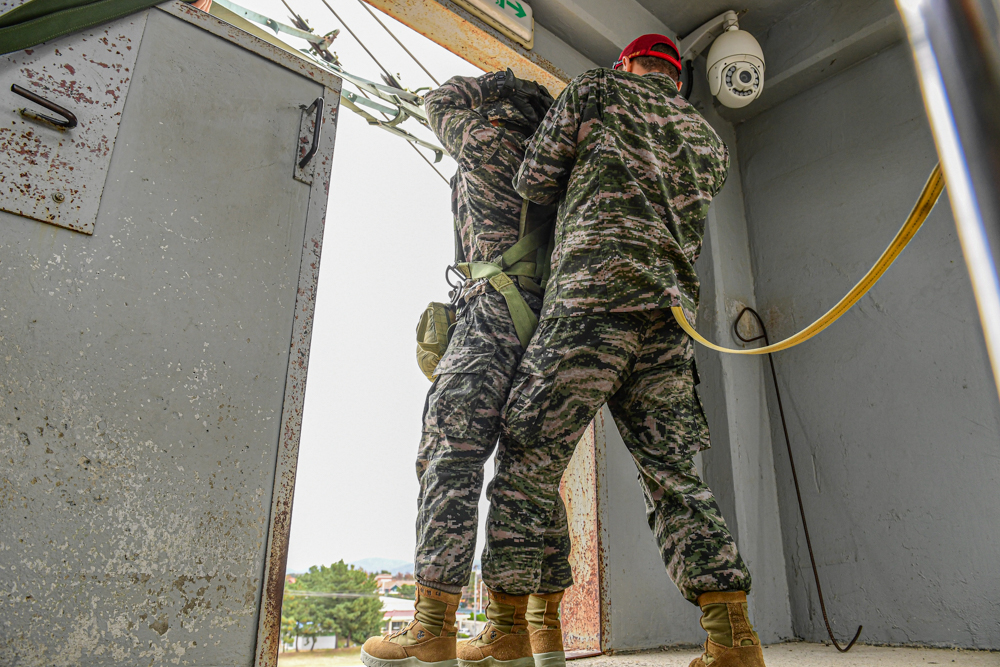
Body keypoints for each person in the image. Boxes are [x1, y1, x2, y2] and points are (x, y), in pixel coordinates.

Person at [480, 35, 768, 667]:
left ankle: (505, 629)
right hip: (665, 322)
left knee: (529, 453)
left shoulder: (596, 90)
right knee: (675, 478)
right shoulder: (706, 140)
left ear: (625, 63)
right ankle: (733, 641)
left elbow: (534, 179)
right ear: (678, 77)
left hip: (591, 300)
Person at [361, 71, 570, 667]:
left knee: (447, 454)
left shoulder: (487, 138)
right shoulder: (564, 156)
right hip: (550, 324)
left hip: (493, 313)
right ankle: (535, 631)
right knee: (533, 470)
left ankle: (432, 630)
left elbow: (437, 101)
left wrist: (489, 88)